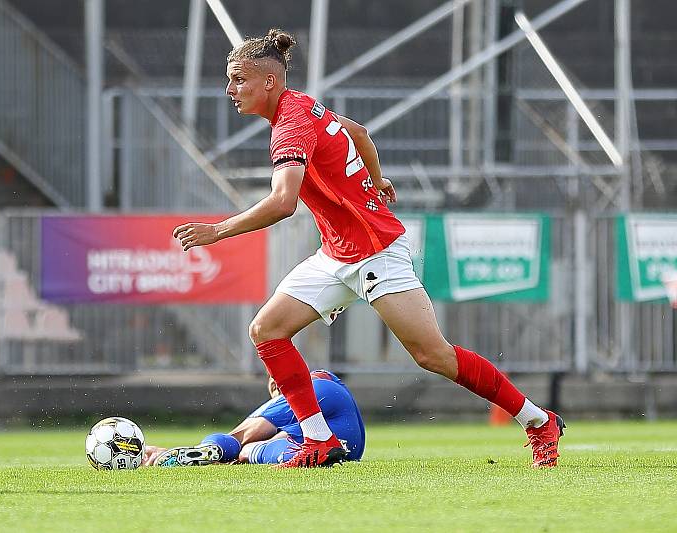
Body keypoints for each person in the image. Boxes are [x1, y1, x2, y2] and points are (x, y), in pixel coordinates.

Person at [173, 29, 564, 468]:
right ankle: (317, 440)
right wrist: (375, 179)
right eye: (229, 80)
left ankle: (538, 420)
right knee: (267, 331)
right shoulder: (302, 105)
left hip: (376, 251)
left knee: (433, 355)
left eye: (238, 79)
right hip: (336, 254)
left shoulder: (290, 123)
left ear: (269, 81)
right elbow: (358, 133)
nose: (230, 89)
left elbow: (284, 203)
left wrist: (219, 231)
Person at [145, 370, 365, 466]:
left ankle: (200, 451)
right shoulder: (302, 420)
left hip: (316, 389)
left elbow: (240, 441)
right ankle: (193, 455)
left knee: (241, 442)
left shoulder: (286, 392)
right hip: (351, 444)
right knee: (252, 452)